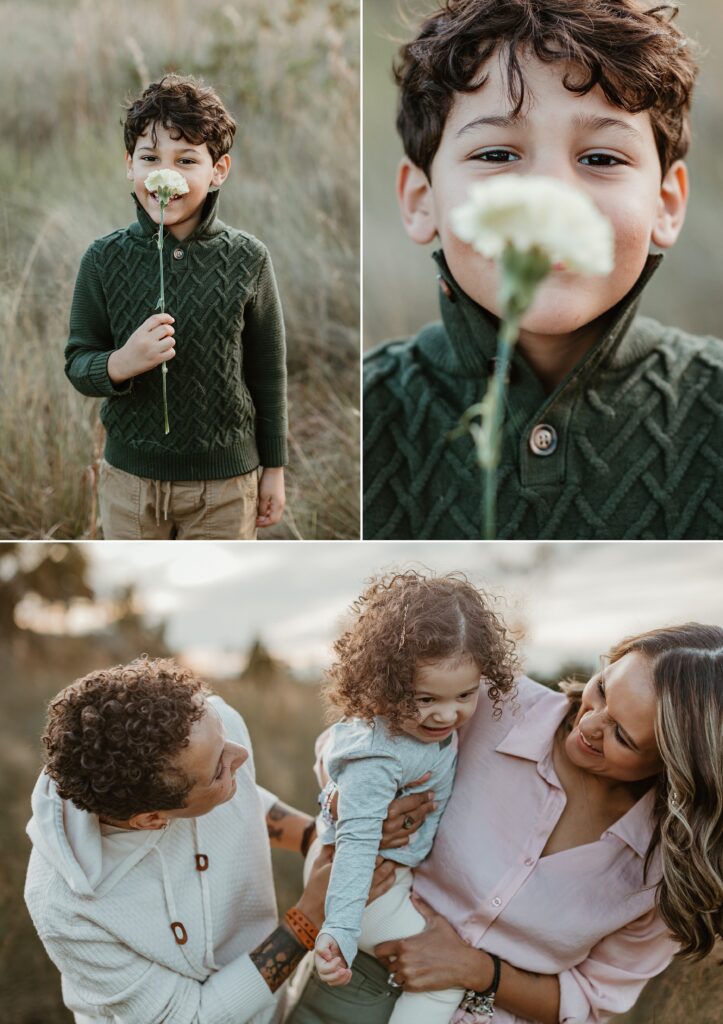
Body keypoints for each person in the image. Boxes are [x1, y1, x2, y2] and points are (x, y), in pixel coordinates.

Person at [363, 0, 723, 540]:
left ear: (666, 204)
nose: (550, 194)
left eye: (601, 158)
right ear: (421, 201)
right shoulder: (370, 408)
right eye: (497, 156)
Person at [288, 623, 723, 1023]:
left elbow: (588, 1001)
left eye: (622, 736)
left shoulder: (674, 867)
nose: (588, 724)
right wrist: (351, 805)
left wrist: (478, 972)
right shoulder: (492, 702)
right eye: (603, 690)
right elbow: (349, 745)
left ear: (675, 765)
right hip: (356, 982)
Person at [23, 657, 426, 1024]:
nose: (241, 755)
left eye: (223, 737)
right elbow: (191, 1018)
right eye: (219, 770)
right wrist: (309, 918)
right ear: (151, 819)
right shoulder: (65, 906)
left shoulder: (212, 729)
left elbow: (244, 797)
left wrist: (316, 837)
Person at [65, 73, 287, 540]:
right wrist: (123, 362)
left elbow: (267, 372)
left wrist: (274, 467)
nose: (164, 175)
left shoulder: (248, 258)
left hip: (224, 486)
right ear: (130, 165)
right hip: (130, 484)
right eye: (150, 158)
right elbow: (78, 361)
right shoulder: (103, 259)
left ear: (218, 169)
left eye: (186, 160)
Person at [312, 572, 517, 1024]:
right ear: (382, 688)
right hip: (362, 888)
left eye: (465, 695)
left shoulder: (423, 726)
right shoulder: (379, 758)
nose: (447, 714)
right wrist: (340, 931)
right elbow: (357, 844)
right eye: (426, 699)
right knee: (445, 983)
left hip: (384, 876)